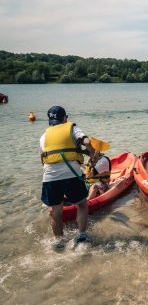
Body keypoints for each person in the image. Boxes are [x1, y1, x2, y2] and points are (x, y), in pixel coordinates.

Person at [40, 106, 96, 247]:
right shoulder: (72, 128)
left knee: (56, 211)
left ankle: (59, 242)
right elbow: (87, 141)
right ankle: (82, 236)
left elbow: (43, 159)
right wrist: (93, 153)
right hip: (71, 175)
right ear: (64, 118)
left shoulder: (44, 136)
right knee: (82, 204)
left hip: (50, 177)